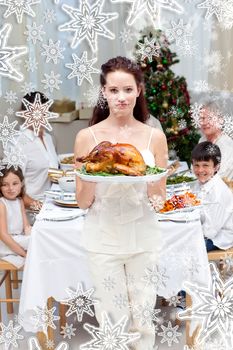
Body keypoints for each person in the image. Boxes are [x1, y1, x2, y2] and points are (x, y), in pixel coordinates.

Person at [74, 56, 168, 350]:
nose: (121, 98)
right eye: (113, 90)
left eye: (127, 90)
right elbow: (82, 202)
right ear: (103, 92)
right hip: (102, 236)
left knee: (143, 317)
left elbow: (159, 198)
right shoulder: (87, 137)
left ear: (139, 90)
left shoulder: (154, 137)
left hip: (143, 235)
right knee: (112, 317)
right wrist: (89, 171)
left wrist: (156, 187)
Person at [14, 91, 58, 209]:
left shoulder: (49, 138)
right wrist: (41, 208)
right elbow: (12, 191)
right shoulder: (17, 144)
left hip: (52, 203)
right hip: (30, 211)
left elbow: (52, 175)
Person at [191, 141, 233, 252]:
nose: (200, 170)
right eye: (196, 165)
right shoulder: (198, 184)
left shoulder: (218, 193)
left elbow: (210, 231)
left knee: (185, 249)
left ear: (216, 167)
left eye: (205, 165)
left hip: (218, 237)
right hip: (204, 230)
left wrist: (186, 233)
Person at [0, 166, 31, 268]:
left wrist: (32, 235)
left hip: (19, 238)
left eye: (15, 183)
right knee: (37, 243)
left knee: (40, 239)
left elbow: (26, 226)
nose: (10, 188)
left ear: (21, 184)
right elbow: (3, 235)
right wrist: (24, 253)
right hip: (6, 243)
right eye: (5, 184)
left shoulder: (19, 201)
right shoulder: (2, 204)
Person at [198, 101, 233, 180]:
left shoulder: (226, 144)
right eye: (202, 118)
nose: (205, 122)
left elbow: (222, 176)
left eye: (210, 118)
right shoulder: (202, 140)